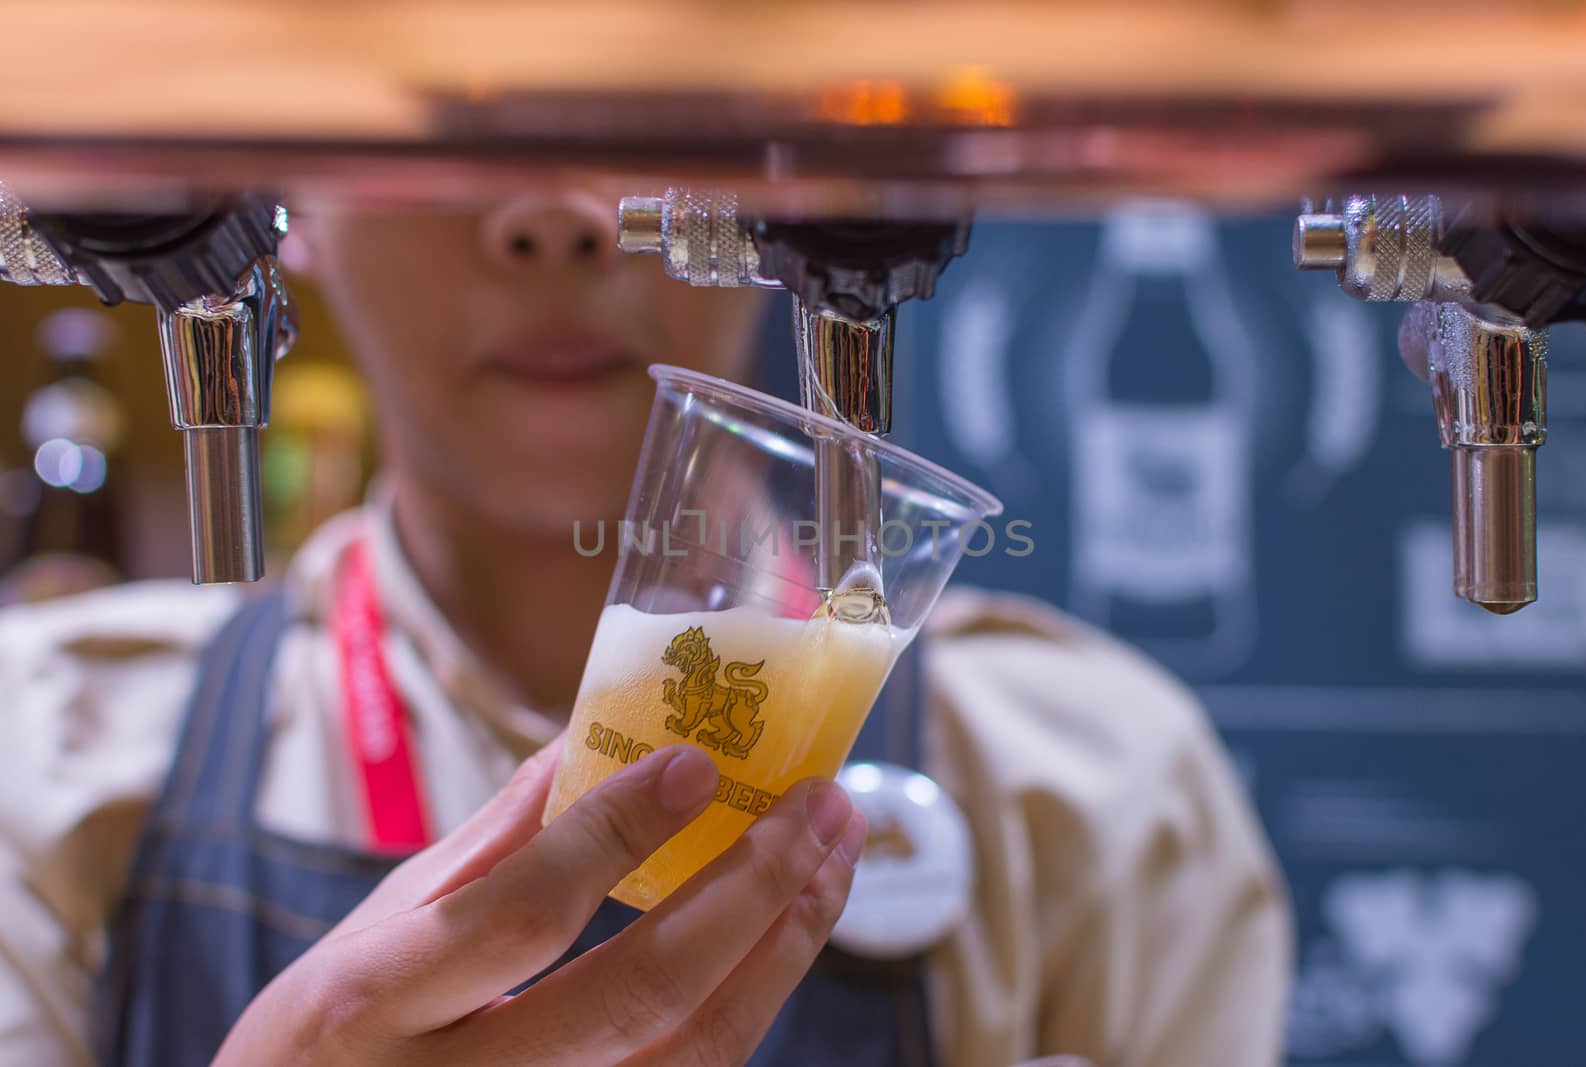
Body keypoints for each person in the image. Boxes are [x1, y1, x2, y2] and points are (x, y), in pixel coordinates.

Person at [0, 182, 1291, 1067]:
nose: (551, 218)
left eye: (631, 99)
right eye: (454, 115)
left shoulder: (1088, 790)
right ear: (286, 208)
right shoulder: (43, 759)